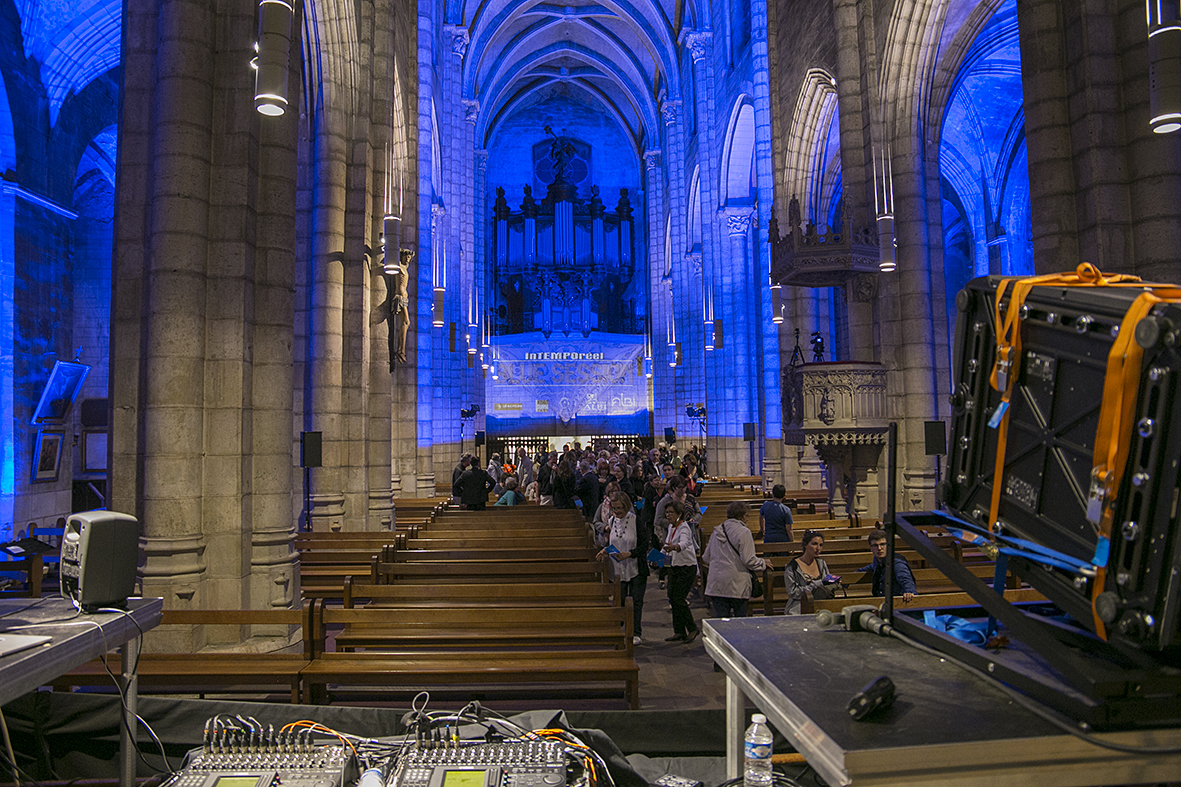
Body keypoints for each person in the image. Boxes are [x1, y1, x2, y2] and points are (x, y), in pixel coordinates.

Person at [596, 492, 645, 644]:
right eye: (614, 508)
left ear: (627, 506)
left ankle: (635, 632)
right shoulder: (611, 521)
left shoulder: (636, 520)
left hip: (635, 567)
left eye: (620, 508)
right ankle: (621, 630)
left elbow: (644, 546)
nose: (617, 511)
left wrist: (630, 554)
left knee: (636, 601)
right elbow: (614, 545)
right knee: (621, 600)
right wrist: (606, 550)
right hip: (618, 569)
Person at [702, 501, 767, 618]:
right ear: (742, 516)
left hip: (717, 583)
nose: (747, 519)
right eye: (747, 516)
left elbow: (706, 557)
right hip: (737, 584)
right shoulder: (744, 532)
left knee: (722, 621)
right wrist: (763, 563)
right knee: (739, 623)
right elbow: (749, 560)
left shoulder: (717, 531)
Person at [661, 499, 699, 643]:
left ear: (679, 514)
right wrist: (658, 556)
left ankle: (693, 628)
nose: (668, 515)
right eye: (667, 512)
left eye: (671, 512)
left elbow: (685, 542)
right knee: (672, 597)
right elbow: (666, 544)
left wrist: (675, 547)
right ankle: (679, 631)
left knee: (679, 598)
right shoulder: (671, 527)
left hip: (686, 567)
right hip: (674, 566)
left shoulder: (684, 527)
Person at [784, 530, 838, 614]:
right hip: (799, 606)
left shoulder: (821, 563)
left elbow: (826, 584)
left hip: (821, 604)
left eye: (820, 545)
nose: (818, 548)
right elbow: (793, 592)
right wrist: (816, 584)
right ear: (805, 545)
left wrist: (833, 582)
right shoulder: (793, 567)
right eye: (814, 544)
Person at [859, 529, 917, 602]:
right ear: (871, 548)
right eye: (875, 545)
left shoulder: (897, 563)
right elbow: (868, 568)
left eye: (882, 544)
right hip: (881, 601)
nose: (879, 548)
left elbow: (905, 578)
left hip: (896, 603)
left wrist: (909, 592)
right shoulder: (877, 560)